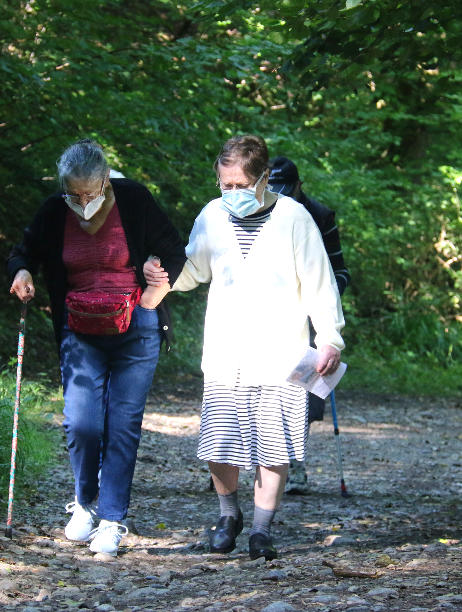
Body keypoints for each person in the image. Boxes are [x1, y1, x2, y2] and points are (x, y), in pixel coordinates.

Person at [144, 135, 344, 560]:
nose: (230, 194)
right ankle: (228, 516)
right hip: (225, 351)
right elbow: (192, 269)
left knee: (275, 445)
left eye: (239, 185)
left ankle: (261, 529)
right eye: (224, 185)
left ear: (263, 179)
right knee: (221, 442)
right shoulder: (212, 216)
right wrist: (160, 276)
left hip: (280, 352)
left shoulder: (295, 218)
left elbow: (320, 284)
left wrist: (329, 338)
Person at [6, 140, 186, 557]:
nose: (83, 201)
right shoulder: (55, 210)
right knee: (82, 423)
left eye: (90, 192)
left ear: (106, 179)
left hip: (135, 326)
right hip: (80, 328)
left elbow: (175, 251)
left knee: (122, 423)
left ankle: (112, 518)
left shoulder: (135, 198)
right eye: (75, 194)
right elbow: (23, 251)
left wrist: (155, 289)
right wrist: (21, 272)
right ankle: (85, 503)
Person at [267, 156, 351, 495]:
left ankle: (295, 466)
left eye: (286, 190)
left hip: (311, 316)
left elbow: (340, 271)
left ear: (299, 186)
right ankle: (239, 460)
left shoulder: (320, 215)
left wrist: (322, 298)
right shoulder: (258, 210)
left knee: (305, 392)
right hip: (265, 314)